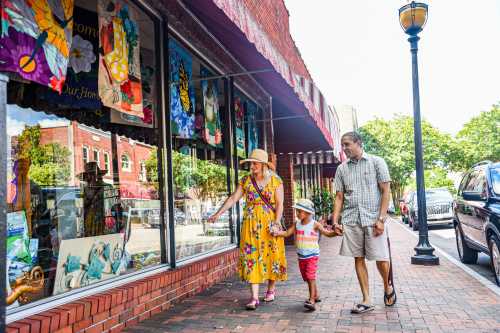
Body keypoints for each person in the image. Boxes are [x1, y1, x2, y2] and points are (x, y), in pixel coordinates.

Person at [208, 149, 287, 310]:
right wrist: (218, 213)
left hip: (269, 223)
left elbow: (280, 204)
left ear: (264, 165)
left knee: (272, 255)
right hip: (250, 225)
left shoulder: (275, 181)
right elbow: (233, 198)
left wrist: (277, 223)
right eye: (250, 163)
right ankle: (254, 297)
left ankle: (271, 289)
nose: (252, 166)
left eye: (255, 163)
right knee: (251, 256)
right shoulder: (245, 180)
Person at [332, 131, 396, 314]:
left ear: (358, 143)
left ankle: (387, 286)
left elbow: (385, 191)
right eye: (342, 145)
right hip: (352, 219)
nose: (344, 148)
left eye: (347, 144)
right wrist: (335, 220)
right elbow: (339, 197)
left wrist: (382, 219)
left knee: (381, 259)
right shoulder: (342, 169)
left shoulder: (377, 162)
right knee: (358, 258)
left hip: (373, 219)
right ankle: (367, 298)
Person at [273, 198, 341, 311]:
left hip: (312, 256)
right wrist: (277, 233)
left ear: (308, 212)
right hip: (301, 256)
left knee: (310, 276)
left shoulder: (315, 224)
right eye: (297, 211)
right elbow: (287, 233)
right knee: (306, 277)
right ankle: (316, 295)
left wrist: (335, 233)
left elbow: (327, 233)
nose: (297, 213)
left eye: (299, 211)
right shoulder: (297, 224)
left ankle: (311, 300)